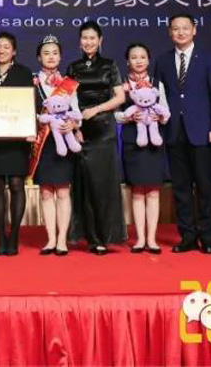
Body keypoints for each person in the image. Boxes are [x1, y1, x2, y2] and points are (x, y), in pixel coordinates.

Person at [151, 13, 211, 255]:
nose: (180, 32)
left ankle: (208, 237)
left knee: (205, 186)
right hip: (173, 131)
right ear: (169, 32)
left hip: (202, 131)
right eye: (175, 28)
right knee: (181, 188)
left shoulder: (208, 59)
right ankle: (188, 236)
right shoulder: (162, 61)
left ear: (194, 30)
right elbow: (157, 96)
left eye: (185, 28)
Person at [66, 20, 127, 254]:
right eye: (85, 38)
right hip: (82, 131)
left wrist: (97, 109)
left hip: (104, 130)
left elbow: (120, 97)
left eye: (93, 38)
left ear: (100, 40)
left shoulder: (110, 65)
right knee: (86, 186)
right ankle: (91, 238)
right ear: (79, 41)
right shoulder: (73, 67)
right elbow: (68, 100)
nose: (88, 42)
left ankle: (106, 236)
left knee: (104, 185)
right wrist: (75, 126)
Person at [0, 31, 34, 256]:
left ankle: (14, 236)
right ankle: (0, 237)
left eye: (6, 47)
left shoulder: (23, 73)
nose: (1, 50)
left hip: (16, 139)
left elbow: (29, 104)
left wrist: (30, 129)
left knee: (16, 184)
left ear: (14, 52)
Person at [116, 42, 170, 254]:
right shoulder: (122, 85)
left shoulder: (157, 84)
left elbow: (166, 112)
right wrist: (128, 117)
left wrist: (159, 117)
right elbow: (115, 114)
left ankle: (152, 239)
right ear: (127, 61)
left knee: (153, 191)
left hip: (154, 143)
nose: (138, 61)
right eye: (134, 57)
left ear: (148, 60)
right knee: (137, 192)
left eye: (142, 57)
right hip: (133, 142)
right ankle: (139, 239)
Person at [30, 35, 77, 256]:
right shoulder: (32, 82)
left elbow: (77, 112)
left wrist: (73, 124)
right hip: (42, 142)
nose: (51, 57)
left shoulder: (69, 83)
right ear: (39, 57)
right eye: (46, 53)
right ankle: (50, 239)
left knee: (63, 191)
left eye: (55, 53)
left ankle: (62, 240)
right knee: (46, 192)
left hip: (64, 141)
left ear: (60, 57)